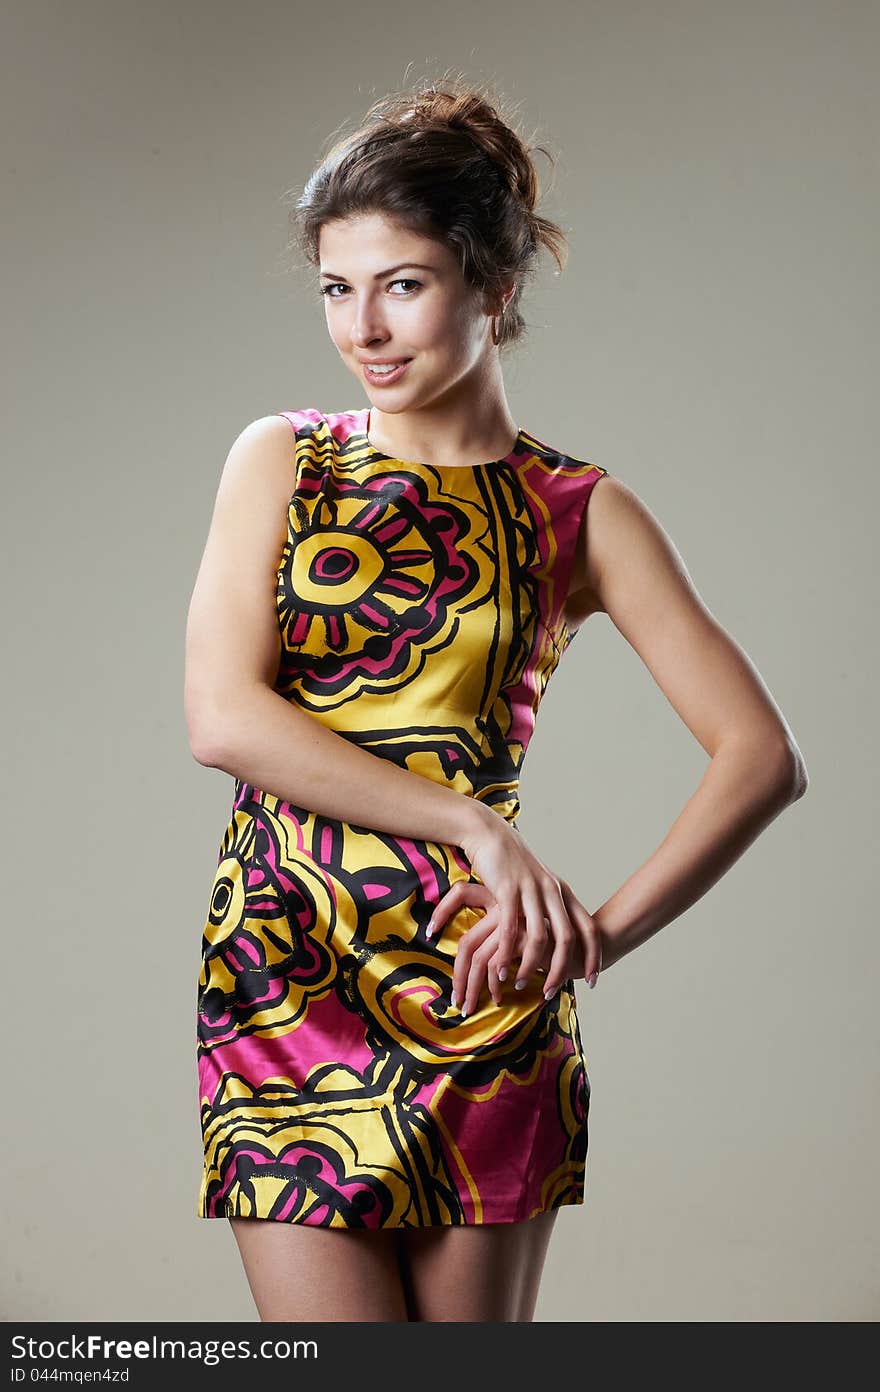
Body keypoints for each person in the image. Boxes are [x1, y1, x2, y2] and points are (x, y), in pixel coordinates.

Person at [184, 78, 808, 1323]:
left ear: (494, 287)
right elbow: (225, 720)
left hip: (482, 986)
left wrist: (597, 940)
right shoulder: (284, 458)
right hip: (283, 970)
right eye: (335, 288)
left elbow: (761, 758)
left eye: (402, 283)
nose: (362, 326)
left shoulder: (579, 512)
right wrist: (480, 828)